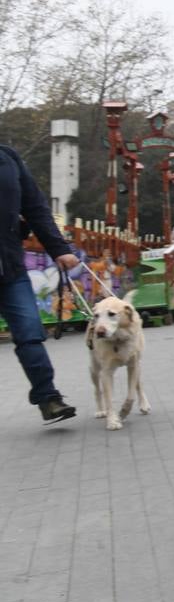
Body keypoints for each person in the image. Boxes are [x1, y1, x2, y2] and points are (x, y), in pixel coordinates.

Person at [0, 144, 78, 424]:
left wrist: (59, 249)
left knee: (30, 333)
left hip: (10, 267)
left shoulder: (8, 158)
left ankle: (49, 398)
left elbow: (35, 207)